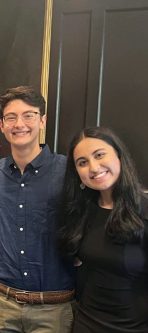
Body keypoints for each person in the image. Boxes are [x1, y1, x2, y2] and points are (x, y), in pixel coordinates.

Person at [0, 86, 75, 332]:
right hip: (3, 303)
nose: (19, 124)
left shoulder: (67, 171)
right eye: (11, 117)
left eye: (29, 115)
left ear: (42, 120)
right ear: (2, 125)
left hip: (53, 308)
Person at [58, 126, 148, 332]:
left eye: (99, 155)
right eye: (82, 162)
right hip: (87, 323)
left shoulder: (144, 210)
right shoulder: (82, 211)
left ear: (119, 155)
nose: (94, 167)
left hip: (135, 327)